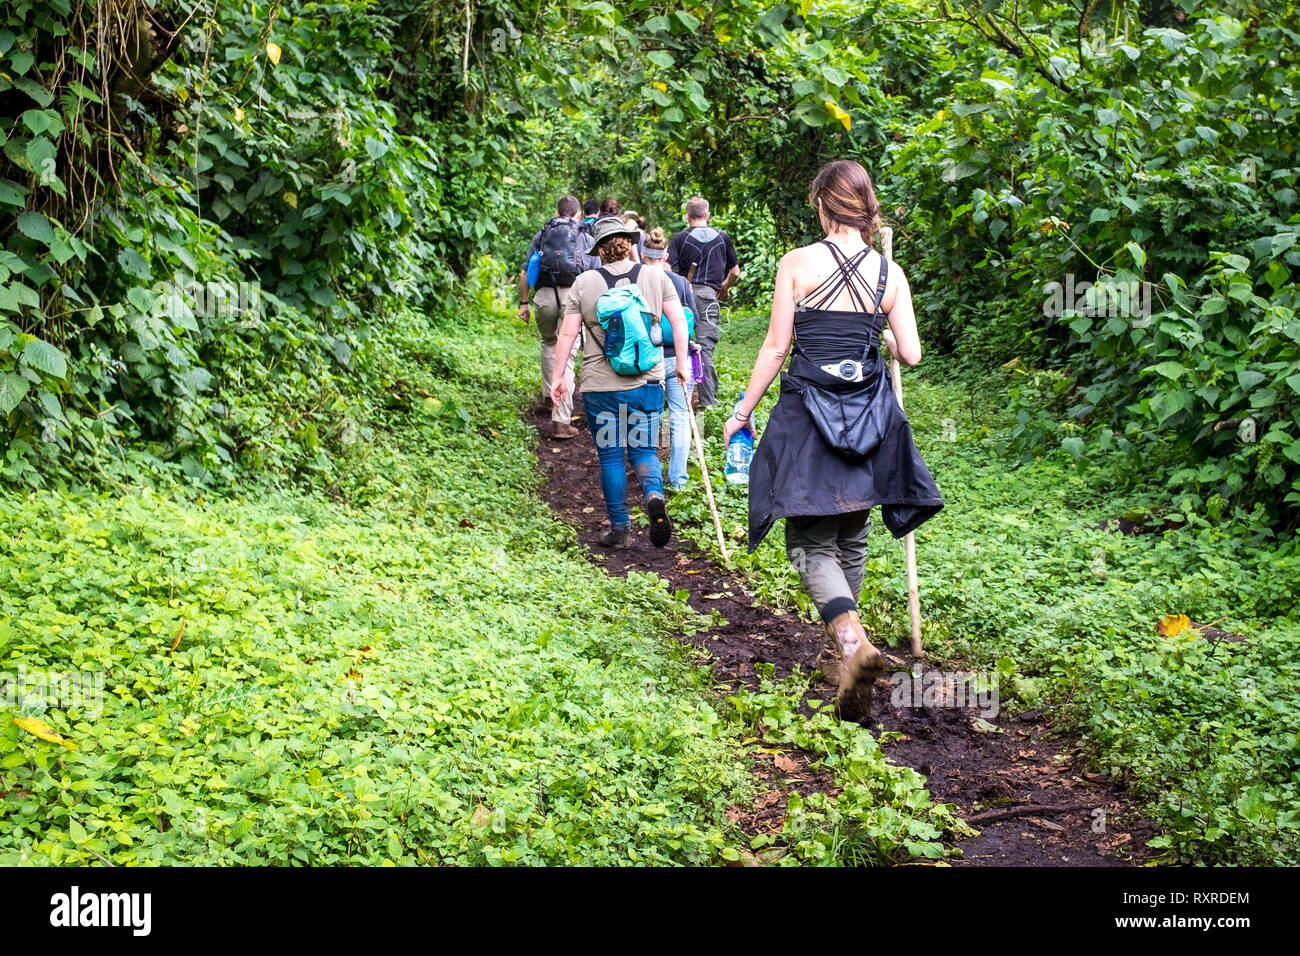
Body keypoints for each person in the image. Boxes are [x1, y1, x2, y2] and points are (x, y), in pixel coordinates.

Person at [723, 159, 943, 722]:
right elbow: (911, 353)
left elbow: (777, 347)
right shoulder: (889, 276)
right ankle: (852, 662)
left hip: (809, 417)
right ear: (868, 208)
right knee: (852, 534)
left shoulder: (796, 263)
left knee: (808, 542)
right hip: (869, 419)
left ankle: (852, 645)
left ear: (823, 204)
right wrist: (878, 342)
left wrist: (742, 411)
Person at [551, 217, 691, 548]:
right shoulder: (656, 277)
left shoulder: (585, 282)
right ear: (630, 243)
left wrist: (559, 377)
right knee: (643, 450)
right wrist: (682, 364)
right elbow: (679, 323)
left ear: (600, 249)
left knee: (612, 457)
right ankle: (653, 493)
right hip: (646, 383)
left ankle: (620, 529)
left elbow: (568, 333)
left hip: (601, 387)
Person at [518, 195, 592, 439]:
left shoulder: (543, 234)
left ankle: (549, 398)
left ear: (557, 211)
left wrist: (524, 303)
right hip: (573, 295)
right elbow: (595, 273)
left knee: (548, 344)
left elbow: (526, 270)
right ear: (578, 214)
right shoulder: (584, 236)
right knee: (567, 353)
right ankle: (561, 420)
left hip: (544, 296)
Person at [667, 197, 739, 406]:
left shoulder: (680, 238)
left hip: (681, 299)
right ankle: (709, 401)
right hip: (708, 297)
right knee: (704, 348)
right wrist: (724, 286)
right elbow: (735, 271)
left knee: (676, 344)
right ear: (707, 216)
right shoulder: (722, 237)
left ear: (688, 217)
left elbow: (668, 268)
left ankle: (675, 397)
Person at [642, 226, 697, 490]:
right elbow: (691, 320)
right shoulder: (680, 282)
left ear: (642, 254)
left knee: (647, 416)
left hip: (647, 359)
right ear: (666, 255)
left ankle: (648, 474)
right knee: (680, 416)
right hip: (678, 358)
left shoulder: (636, 280)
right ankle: (678, 479)